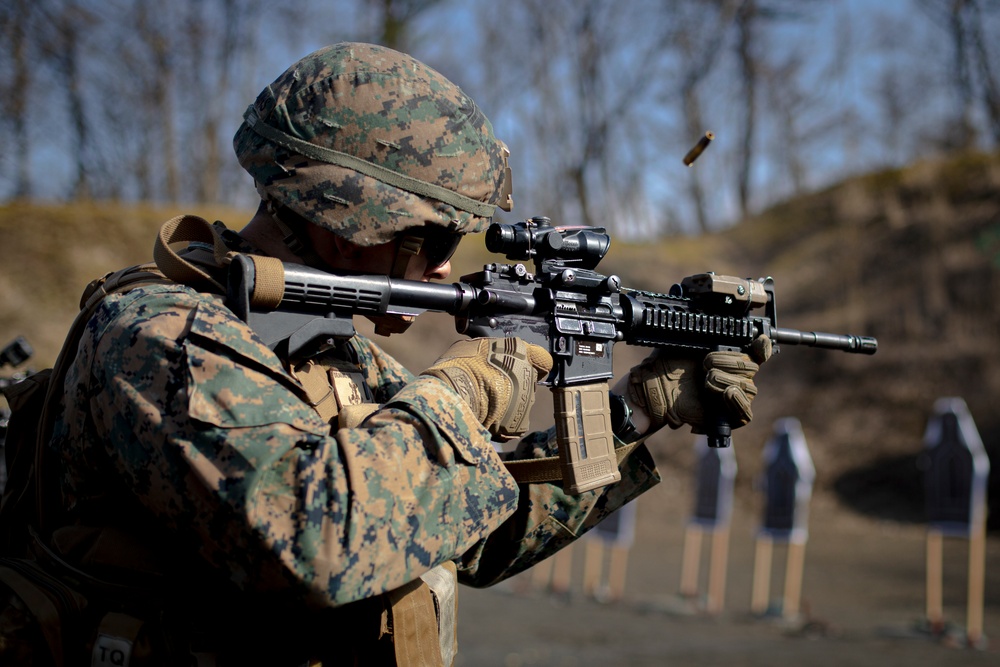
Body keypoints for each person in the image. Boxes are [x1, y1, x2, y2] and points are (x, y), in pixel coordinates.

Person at [7, 43, 769, 665]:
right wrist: (466, 389)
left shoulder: (329, 353)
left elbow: (471, 527)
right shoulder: (158, 339)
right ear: (349, 218)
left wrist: (638, 408)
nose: (444, 267)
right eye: (434, 238)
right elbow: (317, 535)